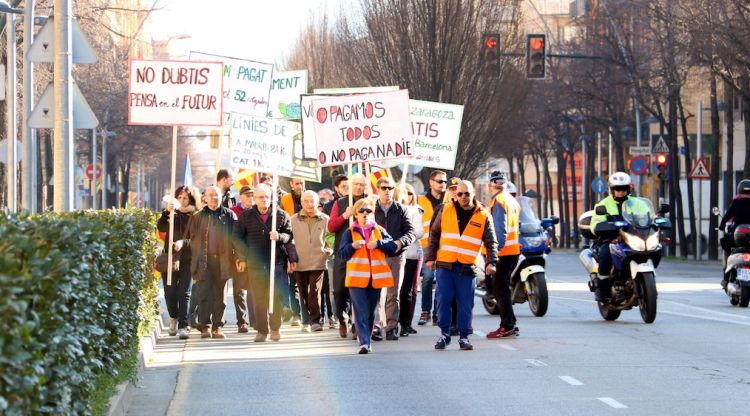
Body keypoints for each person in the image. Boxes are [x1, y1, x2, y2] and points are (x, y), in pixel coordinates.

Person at [426, 181, 498, 350]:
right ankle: (444, 334)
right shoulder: (444, 210)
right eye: (460, 194)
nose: (463, 197)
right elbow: (434, 234)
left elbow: (491, 241)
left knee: (465, 303)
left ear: (474, 193)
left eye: (467, 194)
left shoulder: (483, 215)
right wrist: (430, 258)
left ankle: (464, 337)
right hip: (445, 264)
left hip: (467, 267)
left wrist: (491, 262)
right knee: (443, 300)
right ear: (455, 195)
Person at [233, 183, 294, 342]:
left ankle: (275, 329)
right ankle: (262, 330)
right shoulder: (246, 216)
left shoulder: (281, 215)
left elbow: (289, 235)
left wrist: (279, 237)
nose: (264, 200)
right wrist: (245, 255)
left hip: (276, 263)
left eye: (267, 197)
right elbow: (237, 237)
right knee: (259, 298)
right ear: (254, 199)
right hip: (256, 264)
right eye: (261, 197)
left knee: (276, 297)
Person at [175, 186, 237, 340]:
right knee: (204, 294)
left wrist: (239, 258)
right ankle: (205, 326)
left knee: (220, 297)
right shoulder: (197, 217)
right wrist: (181, 243)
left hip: (223, 261)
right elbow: (190, 238)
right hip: (203, 261)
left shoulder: (229, 215)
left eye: (217, 195)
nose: (214, 198)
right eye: (211, 195)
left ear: (221, 196)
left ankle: (217, 327)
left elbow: (237, 240)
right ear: (205, 198)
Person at [338, 198, 399, 354]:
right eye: (361, 211)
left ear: (373, 213)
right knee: (360, 310)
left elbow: (392, 247)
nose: (365, 214)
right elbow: (341, 254)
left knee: (371, 311)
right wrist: (352, 246)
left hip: (375, 278)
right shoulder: (350, 232)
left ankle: (367, 338)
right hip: (356, 279)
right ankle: (364, 342)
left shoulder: (379, 230)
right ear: (356, 215)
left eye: (368, 211)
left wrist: (378, 243)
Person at [373, 177, 416, 341]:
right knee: (376, 293)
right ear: (378, 189)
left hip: (396, 256)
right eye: (384, 188)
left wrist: (400, 242)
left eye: (390, 188)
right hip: (377, 256)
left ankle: (391, 327)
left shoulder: (401, 209)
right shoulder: (371, 209)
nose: (387, 191)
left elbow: (410, 233)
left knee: (393, 293)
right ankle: (375, 326)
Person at [328, 173, 368, 338]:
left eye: (361, 184)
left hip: (362, 252)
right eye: (356, 184)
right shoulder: (340, 202)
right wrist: (346, 215)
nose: (358, 187)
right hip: (343, 252)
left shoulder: (369, 201)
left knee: (358, 290)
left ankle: (355, 323)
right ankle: (342, 319)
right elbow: (331, 226)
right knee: (338, 290)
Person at [589, 171, 638, 302]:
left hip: (633, 238)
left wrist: (655, 221)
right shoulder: (603, 204)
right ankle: (602, 290)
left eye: (623, 189)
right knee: (605, 255)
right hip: (611, 239)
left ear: (628, 189)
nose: (620, 192)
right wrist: (600, 226)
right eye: (617, 189)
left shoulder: (637, 203)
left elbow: (647, 216)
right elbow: (596, 222)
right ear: (612, 189)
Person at [156, 186, 196, 340]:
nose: (182, 200)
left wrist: (183, 242)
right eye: (179, 197)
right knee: (170, 292)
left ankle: (184, 325)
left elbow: (197, 239)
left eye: (185, 198)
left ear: (191, 200)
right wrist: (166, 212)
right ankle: (174, 316)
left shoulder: (195, 216)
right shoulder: (172, 213)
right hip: (170, 259)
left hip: (187, 258)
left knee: (184, 293)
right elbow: (161, 226)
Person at [485, 171, 522, 339]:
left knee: (500, 291)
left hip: (503, 252)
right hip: (513, 251)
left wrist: (493, 255)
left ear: (490, 185)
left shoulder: (498, 202)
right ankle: (511, 323)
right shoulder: (511, 200)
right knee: (503, 288)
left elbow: (500, 231)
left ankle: (506, 326)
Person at [290, 190, 332, 332]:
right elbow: (290, 240)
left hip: (318, 260)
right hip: (299, 261)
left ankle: (316, 320)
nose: (309, 204)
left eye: (311, 201)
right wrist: (291, 258)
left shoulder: (325, 218)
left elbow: (331, 238)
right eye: (306, 201)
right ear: (301, 203)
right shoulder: (293, 219)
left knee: (314, 291)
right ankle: (306, 320)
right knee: (302, 292)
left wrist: (328, 250)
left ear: (317, 202)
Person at [417, 170, 447, 326]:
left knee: (441, 280)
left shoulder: (448, 199)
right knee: (428, 278)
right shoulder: (420, 200)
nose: (443, 185)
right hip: (427, 245)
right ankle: (425, 311)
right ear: (431, 182)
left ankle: (438, 313)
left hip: (445, 246)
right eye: (439, 181)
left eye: (444, 182)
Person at [395, 183, 424, 337]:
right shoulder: (389, 211)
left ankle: (405, 323)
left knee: (406, 290)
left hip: (409, 255)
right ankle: (390, 322)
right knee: (392, 291)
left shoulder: (413, 211)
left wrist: (404, 238)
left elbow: (419, 231)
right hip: (391, 255)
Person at [230, 186, 255, 333]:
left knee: (254, 288)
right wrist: (238, 257)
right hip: (237, 256)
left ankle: (255, 320)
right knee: (239, 290)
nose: (250, 198)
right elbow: (231, 237)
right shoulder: (233, 212)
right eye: (247, 195)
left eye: (252, 195)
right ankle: (242, 321)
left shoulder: (258, 211)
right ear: (240, 196)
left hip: (253, 256)